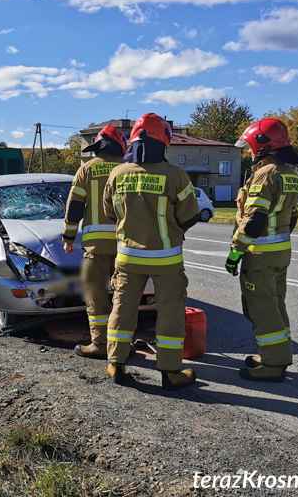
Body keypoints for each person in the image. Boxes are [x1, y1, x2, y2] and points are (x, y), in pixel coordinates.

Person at [102, 113, 199, 390]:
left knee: (121, 308)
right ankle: (170, 372)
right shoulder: (176, 176)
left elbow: (110, 213)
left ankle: (115, 364)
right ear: (164, 141)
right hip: (167, 258)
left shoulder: (117, 174)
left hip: (128, 256)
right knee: (170, 313)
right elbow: (189, 217)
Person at [226, 118, 298, 382]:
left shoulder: (265, 174)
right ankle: (277, 353)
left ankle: (273, 365)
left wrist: (236, 251)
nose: (248, 151)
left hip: (259, 254)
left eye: (249, 146)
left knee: (262, 308)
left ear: (263, 145)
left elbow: (255, 219)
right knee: (276, 304)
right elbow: (292, 217)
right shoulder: (289, 174)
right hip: (280, 253)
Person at [63, 125, 127, 359]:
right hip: (126, 246)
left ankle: (100, 343)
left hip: (96, 246)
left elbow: (75, 207)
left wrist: (69, 237)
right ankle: (122, 344)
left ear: (98, 147)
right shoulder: (129, 170)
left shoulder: (87, 169)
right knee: (124, 297)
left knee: (95, 293)